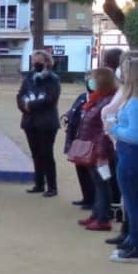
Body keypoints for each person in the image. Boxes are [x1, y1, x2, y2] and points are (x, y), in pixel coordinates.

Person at [106, 54, 138, 264]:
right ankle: (132, 241)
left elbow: (135, 135)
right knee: (132, 202)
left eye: (127, 72)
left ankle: (136, 247)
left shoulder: (136, 102)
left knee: (133, 203)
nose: (123, 75)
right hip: (131, 152)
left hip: (131, 152)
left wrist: (113, 128)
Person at [74, 68, 118, 231]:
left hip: (100, 151)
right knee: (98, 183)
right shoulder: (99, 98)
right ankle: (96, 214)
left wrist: (101, 152)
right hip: (93, 148)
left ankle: (103, 218)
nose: (89, 81)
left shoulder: (108, 101)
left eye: (92, 78)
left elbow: (103, 130)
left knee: (102, 184)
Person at [17, 49, 61, 196]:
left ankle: (52, 187)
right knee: (35, 154)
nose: (35, 63)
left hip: (47, 122)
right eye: (33, 60)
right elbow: (21, 94)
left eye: (39, 61)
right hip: (30, 122)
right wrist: (23, 105)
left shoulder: (53, 79)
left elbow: (51, 99)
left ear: (47, 62)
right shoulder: (28, 77)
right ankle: (39, 184)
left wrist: (31, 106)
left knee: (46, 154)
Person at [62, 79, 94, 209]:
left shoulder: (101, 99)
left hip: (90, 140)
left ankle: (93, 200)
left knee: (91, 171)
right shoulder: (82, 97)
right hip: (77, 138)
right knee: (80, 168)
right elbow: (73, 110)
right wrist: (67, 116)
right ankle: (86, 197)